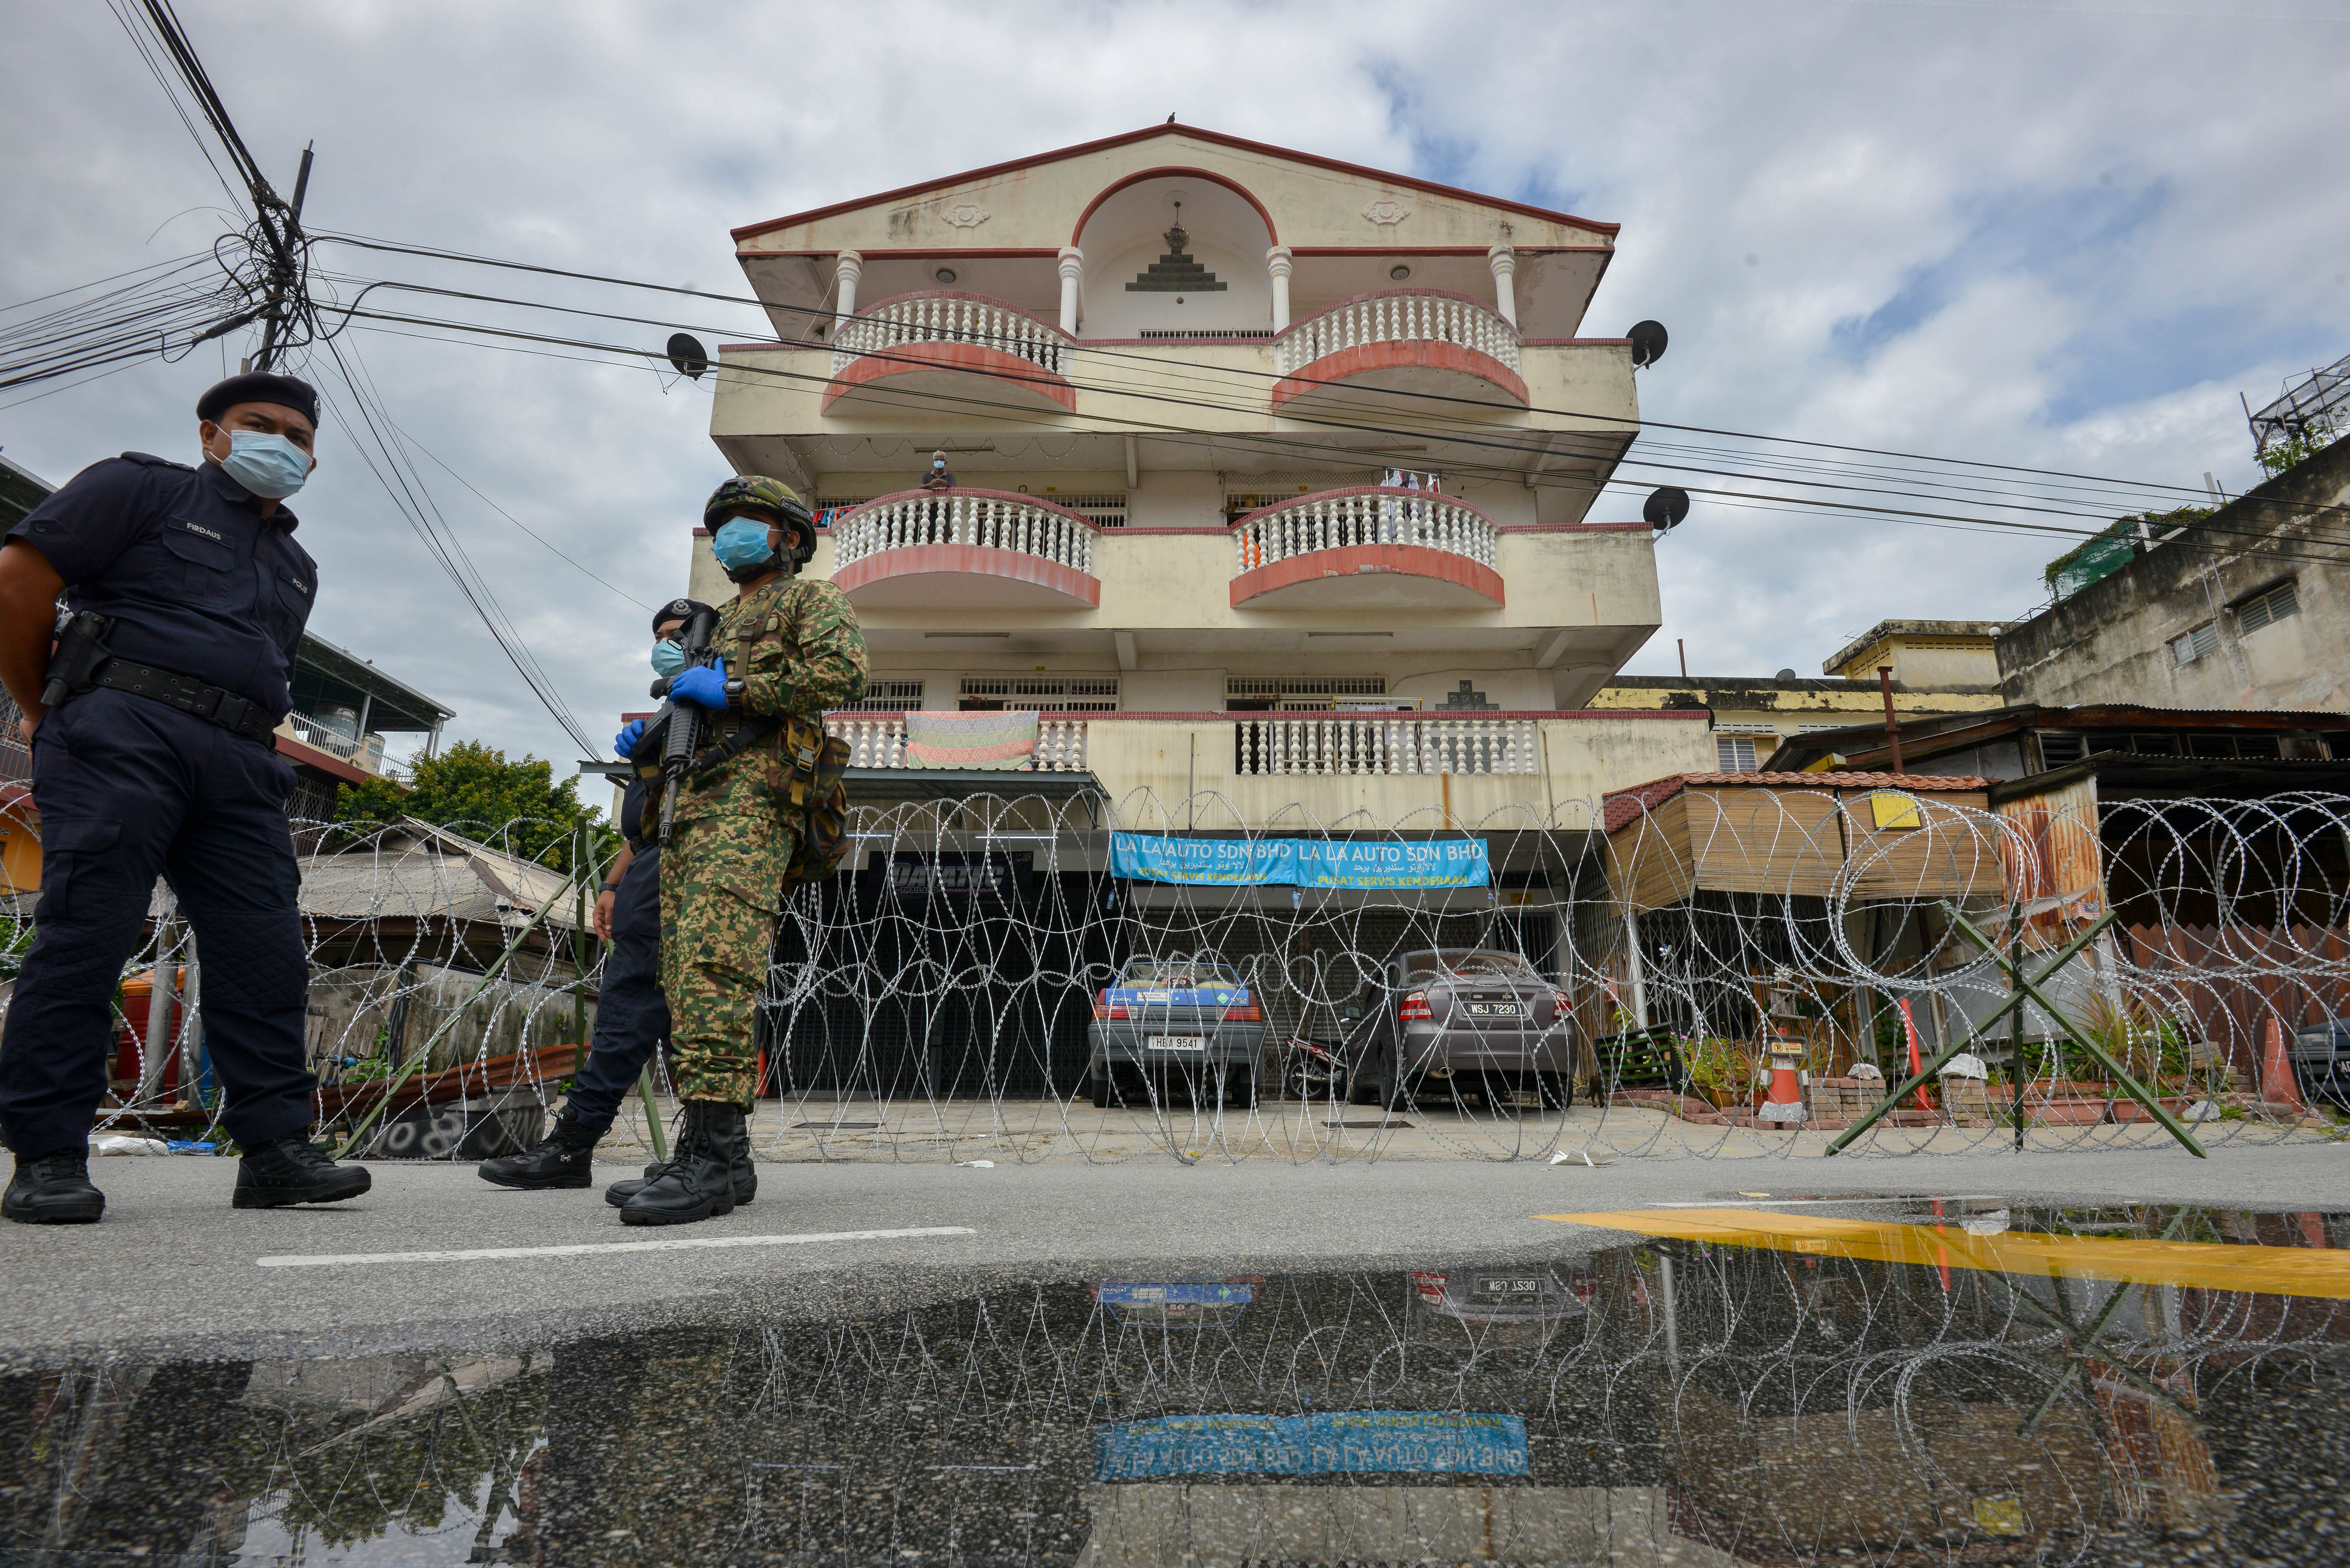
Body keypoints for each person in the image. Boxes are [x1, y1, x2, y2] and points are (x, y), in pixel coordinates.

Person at [0, 372, 372, 1223]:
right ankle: (50, 1154)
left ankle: (275, 1149)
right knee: (89, 933)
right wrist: (40, 701)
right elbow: (18, 578)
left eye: (298, 435)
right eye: (257, 424)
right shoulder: (138, 488)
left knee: (264, 951)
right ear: (212, 433)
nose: (279, 442)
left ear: (312, 461)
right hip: (124, 727)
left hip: (243, 759)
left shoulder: (295, 566)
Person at [616, 476, 865, 1226]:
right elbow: (697, 714)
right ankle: (717, 1150)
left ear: (789, 536)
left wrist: (738, 690)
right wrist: (652, 739)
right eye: (720, 524)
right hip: (692, 809)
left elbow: (842, 673)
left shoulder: (807, 602)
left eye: (746, 522)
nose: (730, 535)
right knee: (686, 974)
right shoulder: (715, 623)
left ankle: (712, 1162)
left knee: (716, 971)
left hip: (751, 808)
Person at [475, 598, 762, 1213]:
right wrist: (611, 885)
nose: (668, 644)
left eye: (681, 635)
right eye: (660, 637)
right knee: (671, 1012)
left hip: (690, 864)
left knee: (644, 1010)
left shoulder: (718, 703)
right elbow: (644, 823)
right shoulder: (674, 710)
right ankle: (725, 1160)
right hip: (648, 864)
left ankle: (577, 1145)